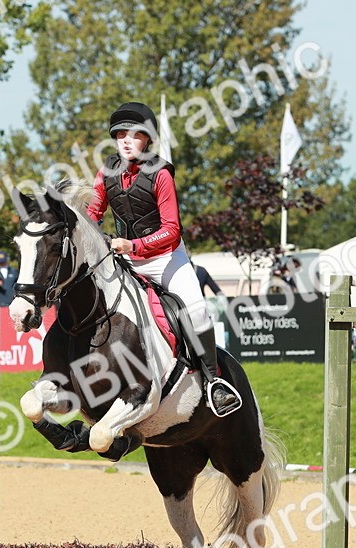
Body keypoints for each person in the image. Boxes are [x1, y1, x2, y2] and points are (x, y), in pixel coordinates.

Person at [86, 101, 241, 416]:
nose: (126, 141)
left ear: (147, 139)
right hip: (125, 259)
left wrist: (134, 245)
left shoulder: (161, 174)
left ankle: (214, 382)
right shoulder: (106, 172)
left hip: (166, 258)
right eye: (120, 135)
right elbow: (92, 213)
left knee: (197, 312)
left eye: (135, 135)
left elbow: (172, 230)